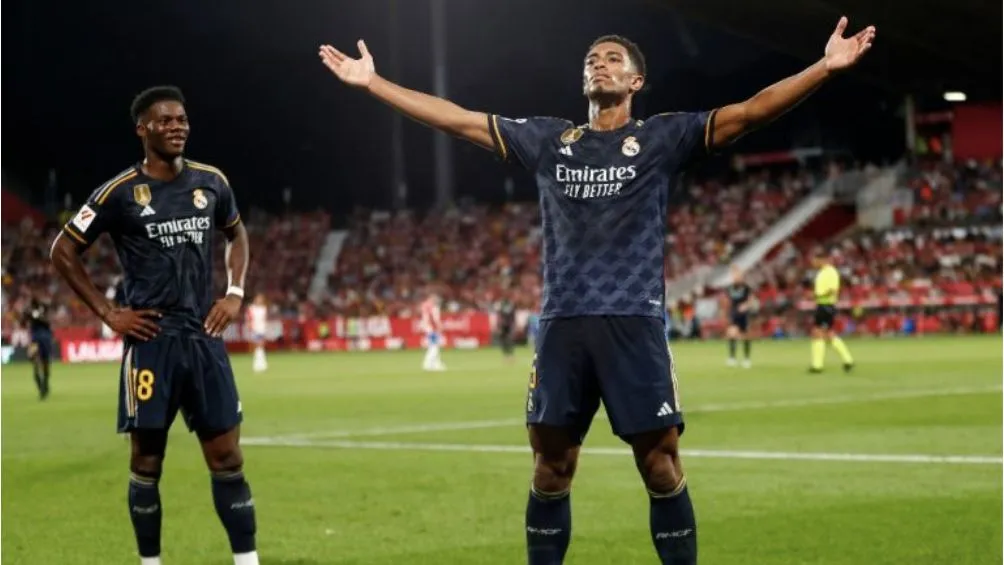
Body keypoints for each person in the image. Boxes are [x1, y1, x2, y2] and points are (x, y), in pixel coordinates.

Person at [319, 17, 874, 564]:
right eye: (592, 59)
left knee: (660, 465)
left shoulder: (661, 137)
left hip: (634, 320)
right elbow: (460, 121)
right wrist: (374, 83)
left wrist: (824, 67)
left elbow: (750, 113)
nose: (599, 63)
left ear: (636, 82)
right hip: (562, 325)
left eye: (613, 59)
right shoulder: (547, 141)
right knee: (550, 468)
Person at [50, 86, 259, 565]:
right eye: (165, 120)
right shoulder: (117, 192)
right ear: (142, 129)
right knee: (147, 462)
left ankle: (248, 561)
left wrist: (234, 291)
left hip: (204, 337)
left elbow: (237, 232)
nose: (177, 127)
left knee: (228, 458)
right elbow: (62, 251)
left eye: (182, 119)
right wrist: (108, 312)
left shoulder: (212, 182)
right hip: (151, 342)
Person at [808, 249, 855, 373]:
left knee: (818, 333)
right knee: (828, 334)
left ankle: (817, 365)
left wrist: (817, 295)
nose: (813, 263)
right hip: (823, 305)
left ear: (821, 260)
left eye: (815, 260)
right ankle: (847, 360)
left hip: (826, 305)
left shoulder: (830, 272)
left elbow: (832, 290)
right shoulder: (823, 272)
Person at [23, 295, 53, 399]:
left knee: (44, 363)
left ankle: (44, 386)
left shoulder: (43, 312)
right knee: (37, 362)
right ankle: (42, 386)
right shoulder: (30, 312)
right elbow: (23, 321)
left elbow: (48, 323)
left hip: (43, 339)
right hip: (37, 340)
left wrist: (38, 317)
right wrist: (29, 315)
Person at [725, 267, 754, 368]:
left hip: (744, 315)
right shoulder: (729, 288)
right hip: (734, 314)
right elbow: (727, 301)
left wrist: (745, 305)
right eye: (734, 275)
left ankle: (747, 359)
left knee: (746, 336)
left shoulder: (746, 288)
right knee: (732, 334)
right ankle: (732, 358)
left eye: (737, 275)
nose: (736, 277)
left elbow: (751, 301)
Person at [420, 292, 446, 371]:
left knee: (434, 346)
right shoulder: (433, 307)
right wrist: (439, 326)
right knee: (434, 346)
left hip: (428, 327)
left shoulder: (425, 305)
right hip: (432, 328)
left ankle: (435, 363)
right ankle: (428, 364)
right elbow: (435, 318)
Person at [247, 294, 269, 373]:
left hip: (262, 329)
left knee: (261, 345)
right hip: (255, 329)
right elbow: (249, 318)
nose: (259, 300)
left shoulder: (264, 308)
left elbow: (265, 319)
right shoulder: (251, 308)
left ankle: (262, 363)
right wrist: (249, 326)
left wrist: (266, 328)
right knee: (257, 345)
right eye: (258, 299)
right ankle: (257, 364)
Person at [497, 294, 518, 364]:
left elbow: (512, 315)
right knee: (504, 340)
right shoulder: (502, 304)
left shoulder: (509, 305)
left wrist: (514, 324)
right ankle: (506, 355)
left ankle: (510, 355)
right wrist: (499, 325)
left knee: (509, 340)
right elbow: (500, 315)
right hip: (504, 325)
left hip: (508, 325)